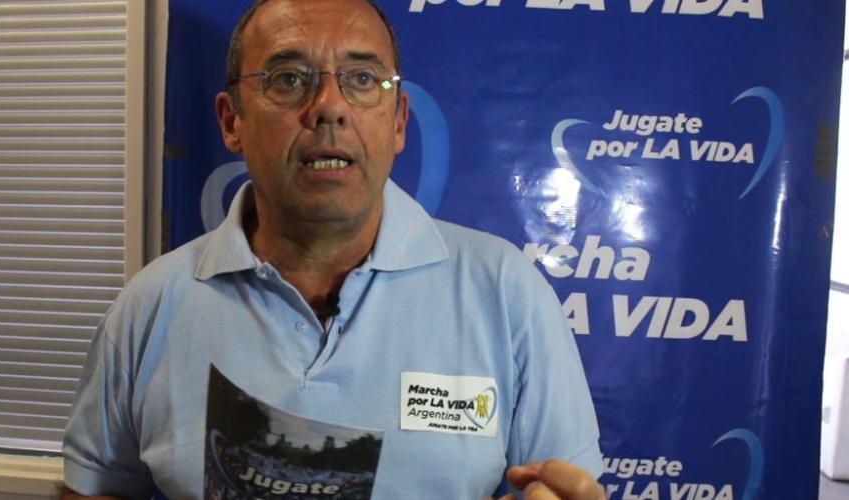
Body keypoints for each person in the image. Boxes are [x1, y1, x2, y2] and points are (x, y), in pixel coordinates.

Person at [61, 0, 604, 498]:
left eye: (361, 79)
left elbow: (557, 485)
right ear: (232, 121)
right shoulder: (149, 307)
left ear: (398, 121)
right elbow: (94, 489)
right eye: (288, 78)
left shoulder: (506, 292)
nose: (329, 107)